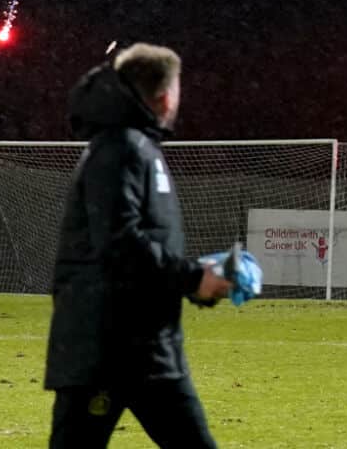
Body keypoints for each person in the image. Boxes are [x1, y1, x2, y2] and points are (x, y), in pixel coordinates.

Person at [42, 42, 233, 448]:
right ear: (165, 95)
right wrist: (193, 277)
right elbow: (120, 243)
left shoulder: (138, 147)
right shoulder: (121, 148)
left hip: (146, 346)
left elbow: (139, 245)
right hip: (106, 350)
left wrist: (196, 281)